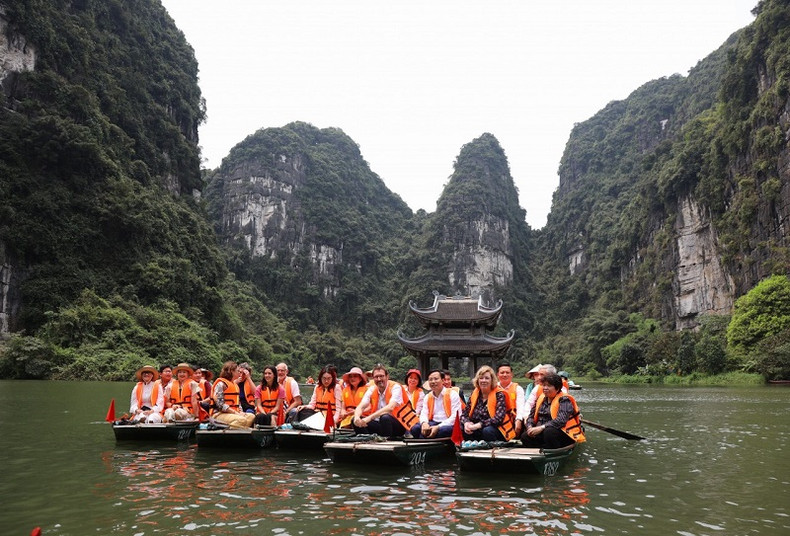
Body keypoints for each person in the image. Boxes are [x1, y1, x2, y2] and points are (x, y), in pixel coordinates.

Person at [521, 372, 586, 449]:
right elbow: (531, 416)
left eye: (549, 386)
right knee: (525, 436)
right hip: (543, 432)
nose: (545, 388)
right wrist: (530, 427)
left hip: (563, 433)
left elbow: (561, 420)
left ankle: (551, 450)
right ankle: (540, 449)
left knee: (549, 432)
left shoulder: (564, 400)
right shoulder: (541, 399)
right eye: (544, 385)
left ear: (557, 388)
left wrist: (541, 427)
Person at [353, 364, 418, 438]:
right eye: (376, 377)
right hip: (379, 424)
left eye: (381, 376)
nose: (379, 379)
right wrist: (357, 417)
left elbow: (390, 407)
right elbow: (361, 406)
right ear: (373, 379)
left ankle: (386, 442)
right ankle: (367, 440)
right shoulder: (372, 389)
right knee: (354, 421)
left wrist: (369, 418)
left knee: (385, 417)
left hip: (398, 424)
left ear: (387, 377)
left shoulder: (395, 387)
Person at [461, 365, 516, 442]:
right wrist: (466, 423)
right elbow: (464, 414)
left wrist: (479, 425)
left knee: (487, 431)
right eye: (481, 378)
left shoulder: (499, 395)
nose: (484, 380)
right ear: (477, 380)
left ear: (492, 380)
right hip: (476, 427)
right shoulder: (474, 394)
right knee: (461, 427)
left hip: (495, 428)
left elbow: (498, 419)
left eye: (487, 378)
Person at [410, 369, 462, 439]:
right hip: (433, 422)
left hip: (448, 424)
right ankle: (427, 438)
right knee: (415, 429)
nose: (433, 382)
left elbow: (456, 417)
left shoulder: (452, 394)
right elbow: (424, 413)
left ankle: (424, 440)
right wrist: (424, 423)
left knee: (443, 431)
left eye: (436, 379)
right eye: (430, 379)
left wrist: (438, 427)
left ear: (443, 381)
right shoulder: (428, 396)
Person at [210, 361, 255, 429]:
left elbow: (238, 403)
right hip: (219, 414)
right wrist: (236, 413)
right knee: (241, 419)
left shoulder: (235, 385)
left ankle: (239, 429)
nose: (239, 373)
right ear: (231, 371)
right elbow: (220, 405)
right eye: (238, 371)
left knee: (251, 416)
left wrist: (241, 412)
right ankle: (234, 430)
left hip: (233, 413)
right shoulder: (221, 384)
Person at [497, 362, 525, 437]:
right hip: (498, 420)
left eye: (507, 372)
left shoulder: (518, 389)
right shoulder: (493, 388)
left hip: (513, 419)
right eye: (502, 373)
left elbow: (520, 406)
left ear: (511, 375)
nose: (505, 375)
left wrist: (518, 420)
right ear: (497, 375)